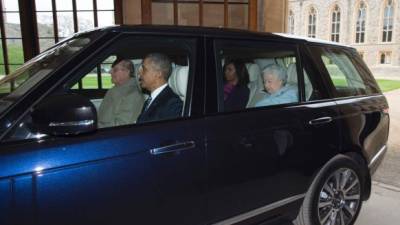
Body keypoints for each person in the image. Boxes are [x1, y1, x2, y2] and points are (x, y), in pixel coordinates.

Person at [97, 58, 144, 128]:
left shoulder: (133, 95)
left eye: (115, 70)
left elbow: (122, 126)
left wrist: (95, 127)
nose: (110, 72)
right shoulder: (115, 90)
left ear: (127, 72)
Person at [136, 53, 183, 123]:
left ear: (158, 74)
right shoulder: (149, 100)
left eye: (144, 69)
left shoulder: (173, 104)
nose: (139, 73)